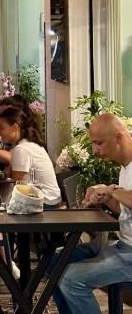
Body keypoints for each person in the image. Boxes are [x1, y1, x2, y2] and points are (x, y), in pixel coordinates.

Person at [51, 113, 132, 314]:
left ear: (119, 137)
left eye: (99, 143)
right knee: (54, 261)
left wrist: (111, 190)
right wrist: (105, 198)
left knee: (70, 280)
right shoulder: (125, 168)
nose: (95, 150)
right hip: (122, 246)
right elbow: (124, 209)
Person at [0, 106, 61, 206]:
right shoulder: (30, 145)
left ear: (15, 127)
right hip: (51, 200)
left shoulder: (21, 149)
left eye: (2, 128)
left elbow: (15, 184)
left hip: (44, 203)